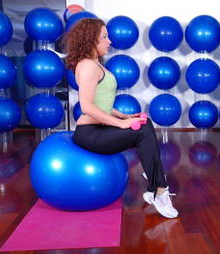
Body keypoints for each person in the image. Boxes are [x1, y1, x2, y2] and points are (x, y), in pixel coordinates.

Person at [64, 18, 178, 218]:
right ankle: (159, 190)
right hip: (90, 134)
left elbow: (103, 103)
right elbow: (88, 107)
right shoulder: (88, 66)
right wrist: (121, 123)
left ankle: (155, 182)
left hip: (100, 128)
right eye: (104, 37)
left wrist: (125, 115)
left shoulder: (96, 64)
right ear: (91, 39)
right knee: (141, 132)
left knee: (145, 123)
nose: (110, 41)